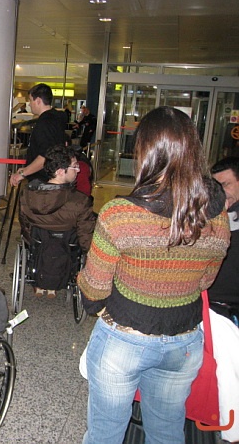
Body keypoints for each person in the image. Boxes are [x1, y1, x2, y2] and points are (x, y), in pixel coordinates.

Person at [77, 106, 231, 444]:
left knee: (105, 434)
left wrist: (85, 284)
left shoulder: (120, 214)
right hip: (183, 342)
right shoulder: (216, 218)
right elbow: (205, 281)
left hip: (123, 339)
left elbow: (94, 289)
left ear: (144, 153)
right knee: (166, 432)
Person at [19, 145, 95, 298]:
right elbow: (86, 236)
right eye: (75, 167)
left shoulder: (27, 194)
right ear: (60, 171)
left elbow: (25, 226)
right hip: (67, 251)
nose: (78, 170)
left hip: (38, 245)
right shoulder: (80, 201)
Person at [9, 83, 67, 186]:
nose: (29, 104)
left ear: (38, 101)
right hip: (51, 178)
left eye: (31, 100)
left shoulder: (45, 122)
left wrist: (22, 173)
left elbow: (45, 156)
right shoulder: (55, 119)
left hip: (42, 181)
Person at [210, 156, 239, 325]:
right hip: (211, 309)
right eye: (217, 187)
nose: (221, 193)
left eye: (226, 184)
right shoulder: (214, 216)